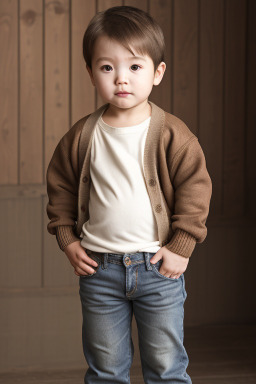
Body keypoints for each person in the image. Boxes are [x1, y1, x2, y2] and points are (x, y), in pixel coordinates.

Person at [46, 5, 212, 384]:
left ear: (157, 73)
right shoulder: (82, 136)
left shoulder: (173, 134)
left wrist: (182, 243)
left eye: (135, 67)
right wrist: (68, 238)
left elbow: (195, 186)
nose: (121, 78)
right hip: (99, 270)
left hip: (158, 268)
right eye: (107, 68)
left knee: (167, 367)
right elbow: (60, 188)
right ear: (91, 72)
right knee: (105, 369)